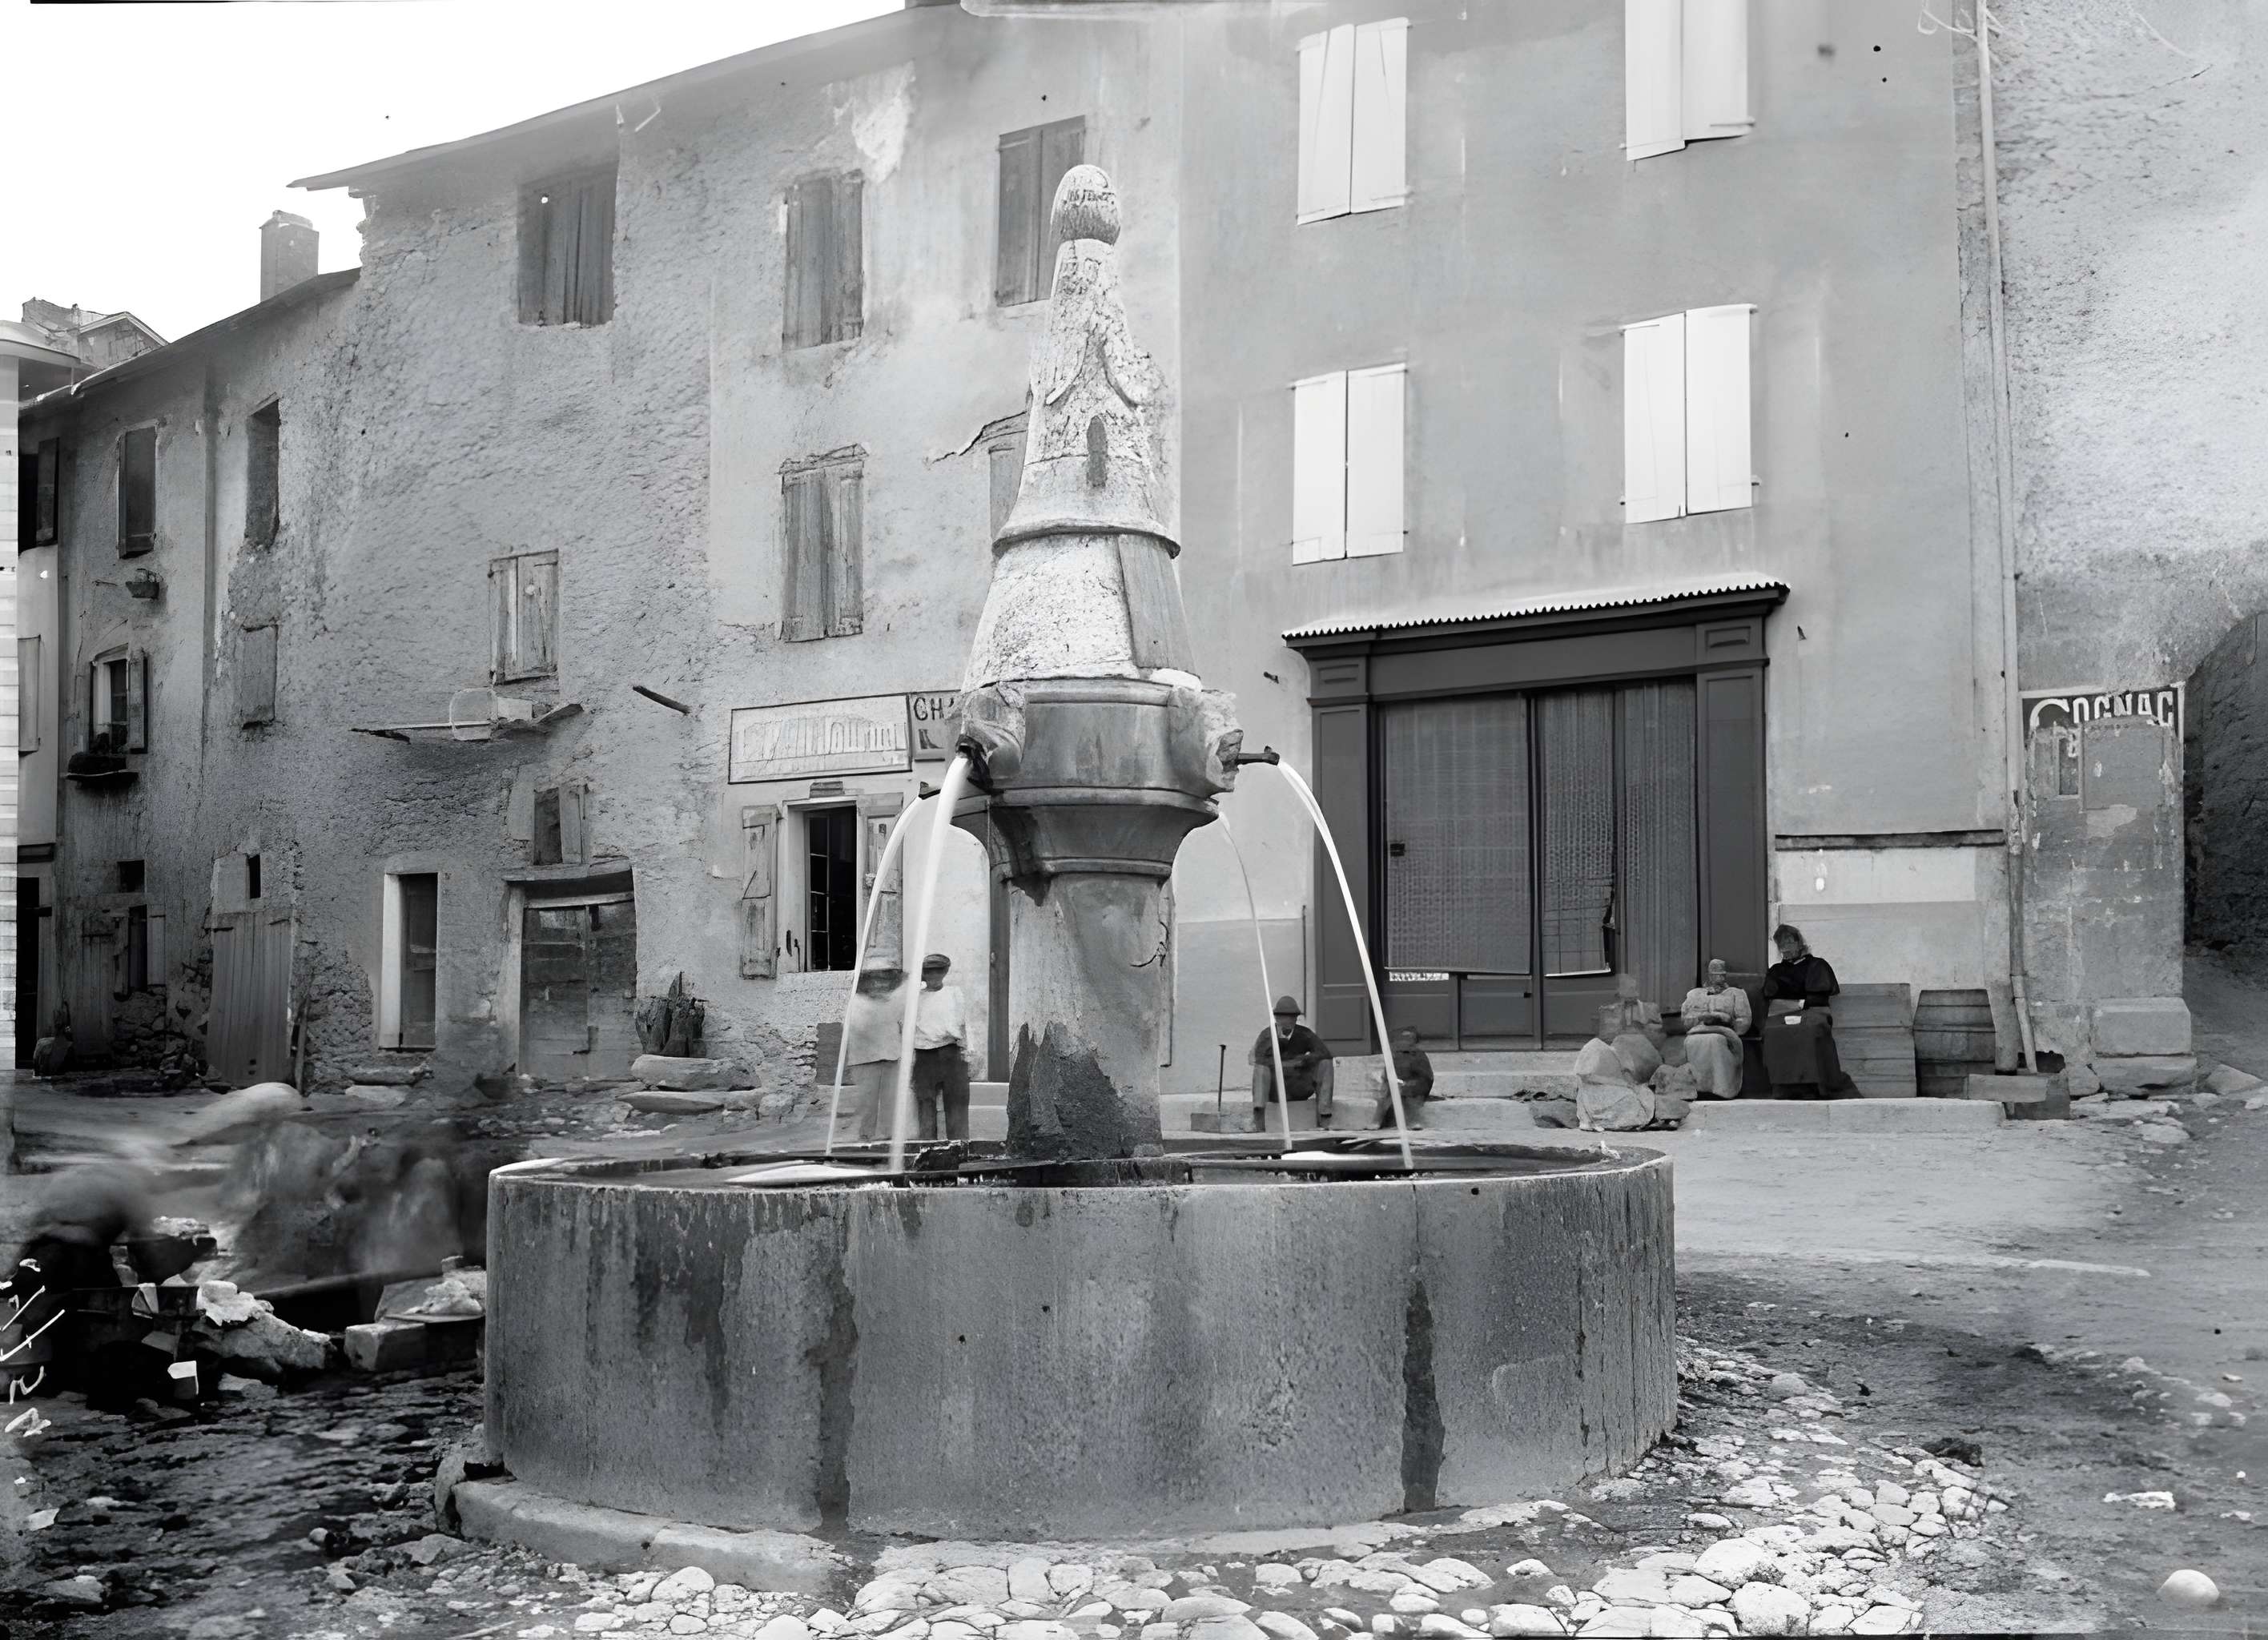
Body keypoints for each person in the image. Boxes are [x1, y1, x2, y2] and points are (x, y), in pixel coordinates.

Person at [1759, 924, 1862, 1099]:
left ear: (1800, 943)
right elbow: (1771, 997)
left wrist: (1797, 1003)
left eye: (1790, 942)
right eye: (1782, 944)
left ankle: (1812, 1086)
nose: (1786, 947)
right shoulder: (1777, 970)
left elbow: (1819, 999)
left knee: (1809, 1030)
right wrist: (1794, 1003)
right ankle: (1784, 1087)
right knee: (1772, 1031)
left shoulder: (1817, 965)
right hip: (1783, 1014)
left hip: (1814, 1012)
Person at [1569, 1030, 1690, 1132]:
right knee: (1643, 1101)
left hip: (1606, 1099)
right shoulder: (1603, 1054)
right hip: (1619, 1100)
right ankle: (1662, 1118)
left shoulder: (1602, 1055)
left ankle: (1662, 1117)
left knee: (1644, 1099)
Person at [841, 961, 908, 1144]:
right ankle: (866, 1138)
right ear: (866, 981)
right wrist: (877, 1004)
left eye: (884, 979)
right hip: (866, 1059)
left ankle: (887, 1138)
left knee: (890, 1101)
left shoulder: (894, 999)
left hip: (891, 1056)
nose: (879, 984)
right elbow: (860, 1026)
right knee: (868, 1103)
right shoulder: (857, 1002)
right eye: (874, 979)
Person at [910, 953, 972, 1143]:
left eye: (938, 972)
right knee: (925, 1105)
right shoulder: (915, 999)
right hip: (924, 1056)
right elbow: (906, 1028)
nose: (934, 976)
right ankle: (928, 1150)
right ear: (923, 975)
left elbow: (964, 1024)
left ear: (945, 972)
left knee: (956, 1105)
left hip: (951, 1054)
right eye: (929, 972)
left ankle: (960, 1148)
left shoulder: (954, 993)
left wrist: (968, 1053)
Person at [1250, 995, 1334, 1132]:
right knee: (1260, 1069)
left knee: (1325, 1063)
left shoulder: (1304, 1034)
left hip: (1297, 1085)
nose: (1288, 1020)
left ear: (1296, 1018)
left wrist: (1305, 1059)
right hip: (1275, 1088)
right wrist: (1286, 1064)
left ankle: (1324, 1118)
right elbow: (1259, 1059)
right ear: (1276, 1018)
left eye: (1292, 1017)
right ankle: (1259, 1122)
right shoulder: (1267, 1035)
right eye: (1283, 1017)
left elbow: (1324, 1053)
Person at [1679, 959, 1753, 1099]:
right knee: (1691, 1042)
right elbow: (1685, 1019)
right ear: (1709, 975)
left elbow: (1744, 1021)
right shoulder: (1695, 994)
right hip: (1699, 1030)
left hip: (1724, 1032)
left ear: (1725, 975)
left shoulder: (1735, 993)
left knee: (1715, 1041)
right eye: (1714, 974)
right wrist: (1702, 1017)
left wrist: (1728, 1020)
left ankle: (1720, 1088)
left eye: (1721, 974)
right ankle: (1698, 1087)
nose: (1718, 978)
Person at [1376, 1026, 1435, 1131]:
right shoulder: (1395, 1057)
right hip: (1397, 1085)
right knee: (1387, 1098)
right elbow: (1387, 1073)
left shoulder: (1418, 1056)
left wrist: (1409, 1084)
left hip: (1416, 1086)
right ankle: (1378, 1120)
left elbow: (1427, 1077)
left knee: (1409, 1098)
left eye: (1409, 1040)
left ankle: (1413, 1121)